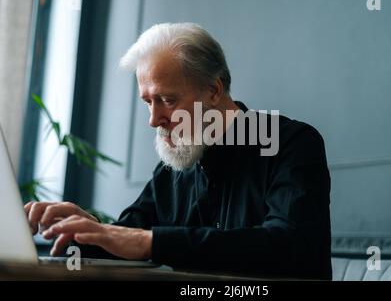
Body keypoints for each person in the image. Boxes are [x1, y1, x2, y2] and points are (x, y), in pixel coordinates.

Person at [24, 23, 331, 279]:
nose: (153, 119)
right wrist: (85, 229)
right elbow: (127, 239)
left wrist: (152, 242)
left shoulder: (292, 143)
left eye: (167, 100)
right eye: (148, 101)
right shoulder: (171, 169)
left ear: (213, 90)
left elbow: (289, 245)